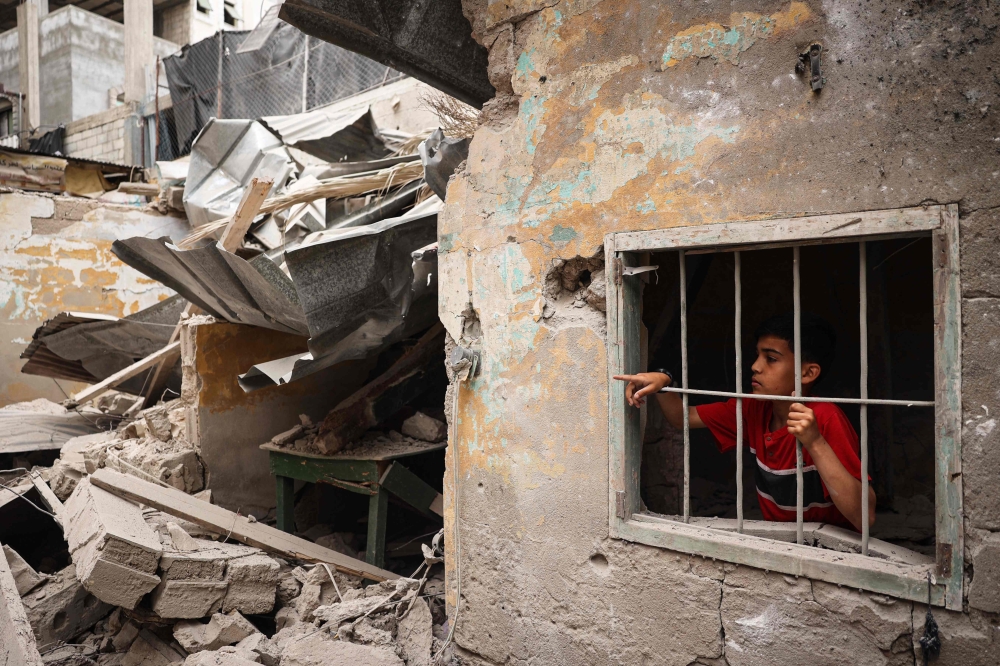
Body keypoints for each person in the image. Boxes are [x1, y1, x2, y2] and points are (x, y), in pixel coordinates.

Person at [613, 312, 875, 531]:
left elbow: (865, 517)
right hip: (782, 543)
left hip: (834, 547)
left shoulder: (826, 418)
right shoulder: (754, 408)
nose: (755, 366)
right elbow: (684, 417)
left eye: (771, 359)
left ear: (808, 373)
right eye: (758, 355)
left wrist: (815, 441)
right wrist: (662, 381)